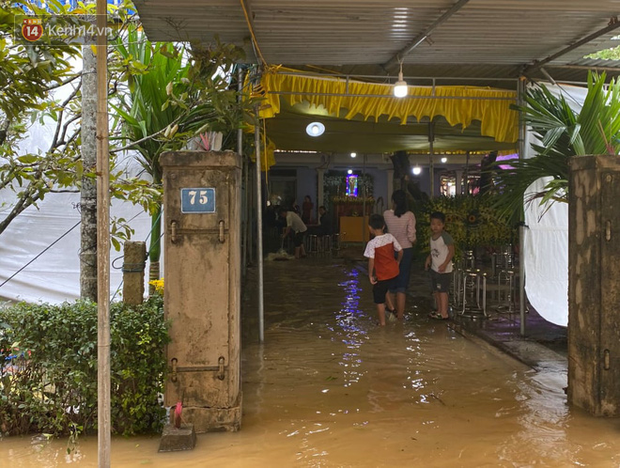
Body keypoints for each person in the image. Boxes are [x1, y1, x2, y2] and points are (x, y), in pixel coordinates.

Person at [364, 214, 403, 326]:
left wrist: (370, 275)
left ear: (370, 228)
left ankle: (382, 323)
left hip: (382, 274)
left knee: (379, 299)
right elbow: (400, 251)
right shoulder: (390, 237)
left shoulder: (372, 244)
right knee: (384, 287)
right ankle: (391, 308)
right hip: (394, 272)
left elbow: (371, 261)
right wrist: (398, 262)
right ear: (383, 226)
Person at [383, 190, 416, 320]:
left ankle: (391, 312)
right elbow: (411, 236)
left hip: (391, 250)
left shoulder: (386, 214)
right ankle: (400, 316)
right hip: (406, 250)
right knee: (402, 284)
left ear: (393, 201)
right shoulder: (410, 215)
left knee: (391, 283)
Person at [424, 211, 455, 320]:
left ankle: (444, 312)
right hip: (434, 268)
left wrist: (445, 264)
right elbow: (433, 250)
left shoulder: (445, 237)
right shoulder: (432, 237)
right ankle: (439, 310)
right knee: (436, 290)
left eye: (438, 224)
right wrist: (429, 258)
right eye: (433, 224)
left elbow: (451, 251)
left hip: (444, 270)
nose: (435, 226)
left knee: (443, 291)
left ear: (443, 225)